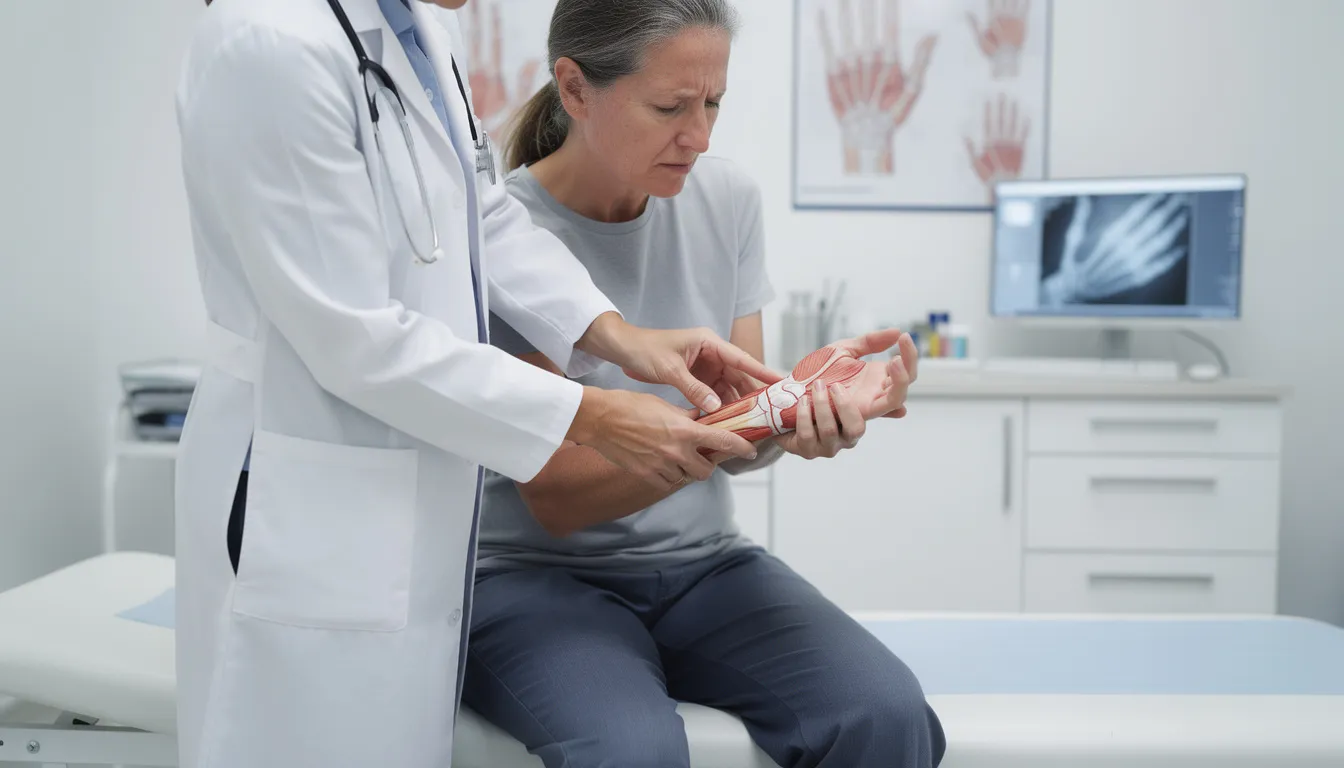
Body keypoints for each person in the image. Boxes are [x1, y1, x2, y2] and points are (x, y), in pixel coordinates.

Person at [173, 0, 779, 766]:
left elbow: (479, 215)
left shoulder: (422, 30)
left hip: (412, 507)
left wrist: (618, 336)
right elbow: (352, 338)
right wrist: (589, 414)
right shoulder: (269, 44)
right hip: (304, 495)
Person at [461, 1, 947, 766]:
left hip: (704, 566)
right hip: (531, 579)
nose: (700, 136)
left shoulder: (726, 202)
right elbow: (559, 496)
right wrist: (748, 423)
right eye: (670, 108)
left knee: (885, 715)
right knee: (634, 752)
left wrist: (802, 408)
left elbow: (746, 427)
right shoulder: (504, 238)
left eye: (713, 102)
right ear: (575, 89)